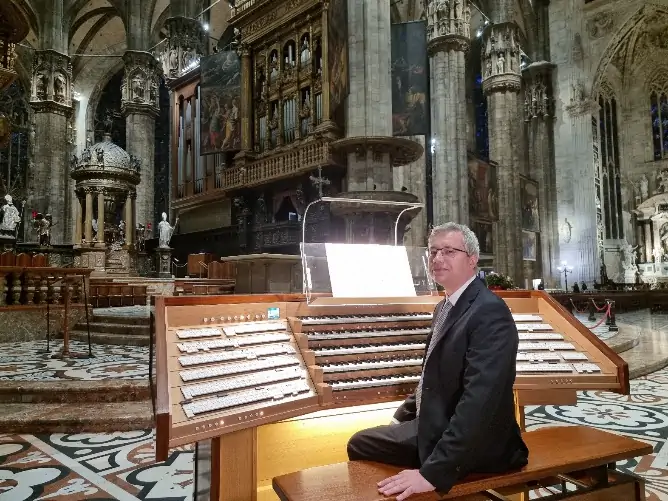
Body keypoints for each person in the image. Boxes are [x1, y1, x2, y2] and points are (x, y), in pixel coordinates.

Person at [347, 222, 528, 500]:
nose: (438, 259)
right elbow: (434, 375)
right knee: (362, 441)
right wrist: (403, 415)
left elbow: (480, 401)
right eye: (433, 252)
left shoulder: (490, 311)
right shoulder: (445, 306)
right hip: (438, 420)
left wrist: (432, 474)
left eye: (448, 251)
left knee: (359, 445)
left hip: (481, 443)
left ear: (472, 259)